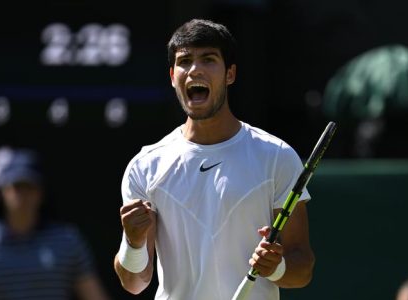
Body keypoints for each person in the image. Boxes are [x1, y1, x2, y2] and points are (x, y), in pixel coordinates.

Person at [113, 19, 315, 299]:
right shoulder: (145, 167)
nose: (194, 69)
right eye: (185, 61)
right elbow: (134, 282)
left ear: (230, 74)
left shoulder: (276, 156)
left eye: (208, 59)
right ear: (173, 77)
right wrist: (133, 244)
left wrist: (277, 267)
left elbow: (302, 268)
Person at [0, 149, 110, 300]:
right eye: (17, 187)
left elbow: (94, 295)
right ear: (2, 192)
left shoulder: (68, 242)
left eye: (29, 187)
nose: (23, 195)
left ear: (41, 193)